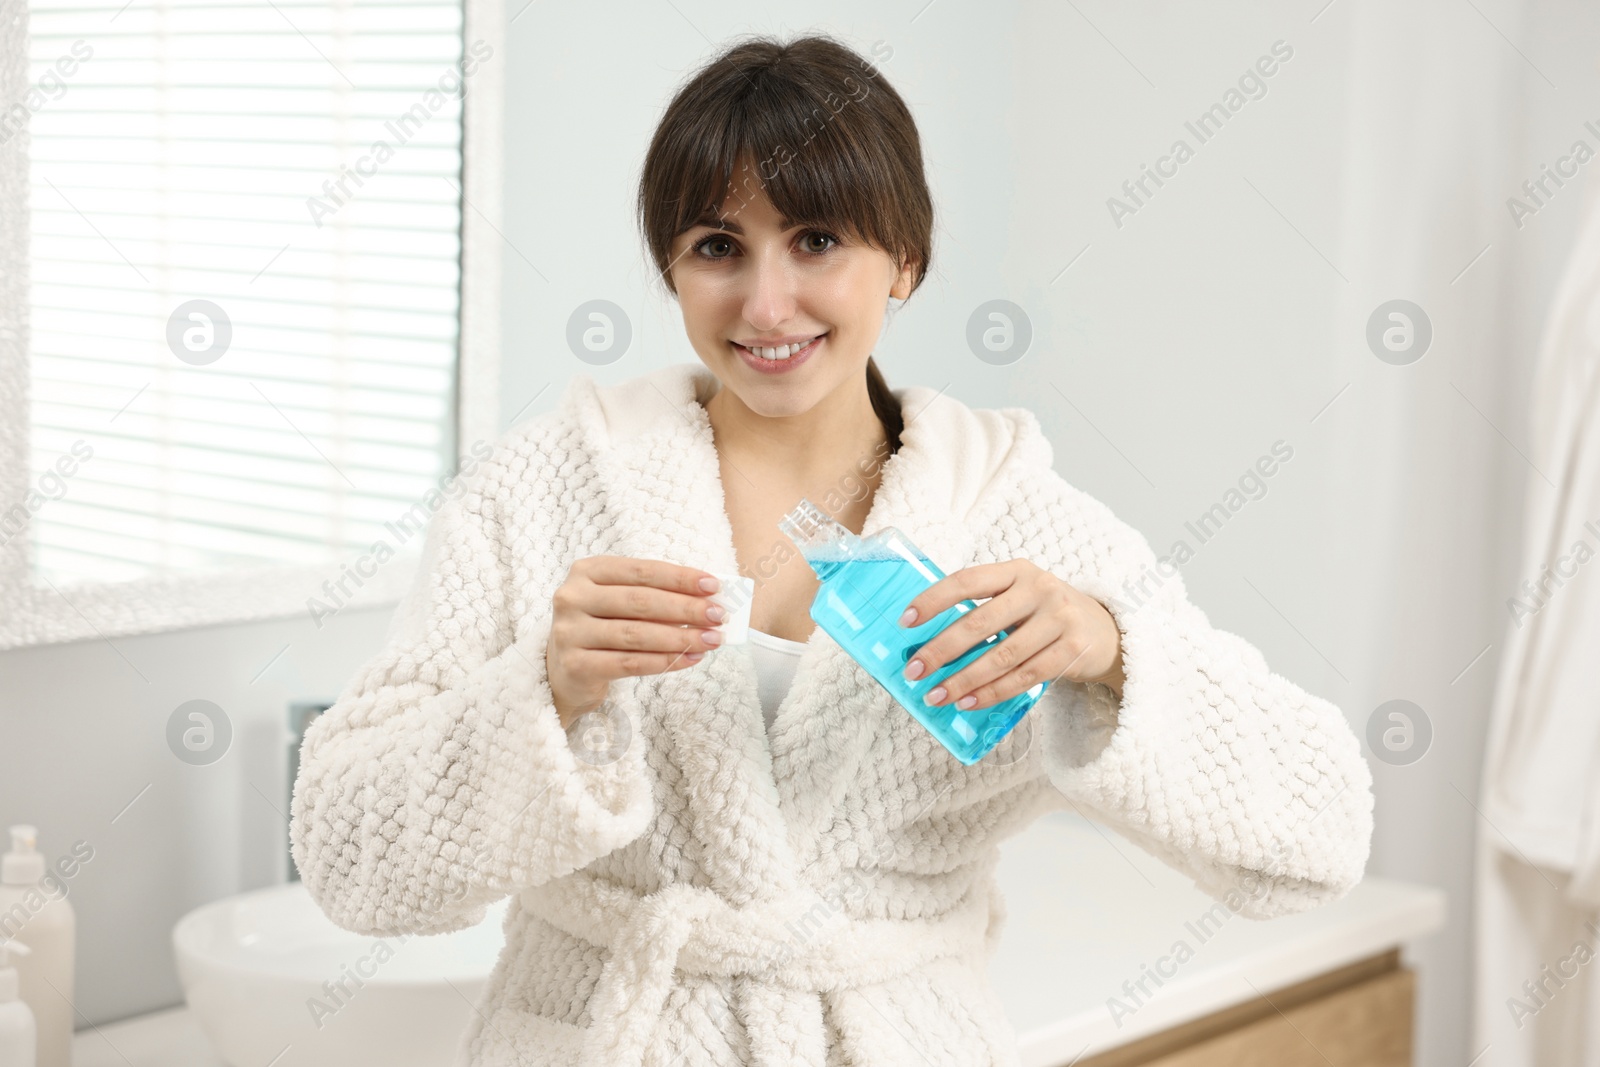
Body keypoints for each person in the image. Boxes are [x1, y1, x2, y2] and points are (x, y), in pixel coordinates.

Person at [289, 33, 1374, 1067]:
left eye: (817, 240)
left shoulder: (1016, 522)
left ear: (903, 257)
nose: (767, 303)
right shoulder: (534, 496)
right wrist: (544, 689)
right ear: (670, 270)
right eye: (718, 247)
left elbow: (1317, 834)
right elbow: (351, 863)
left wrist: (1110, 647)